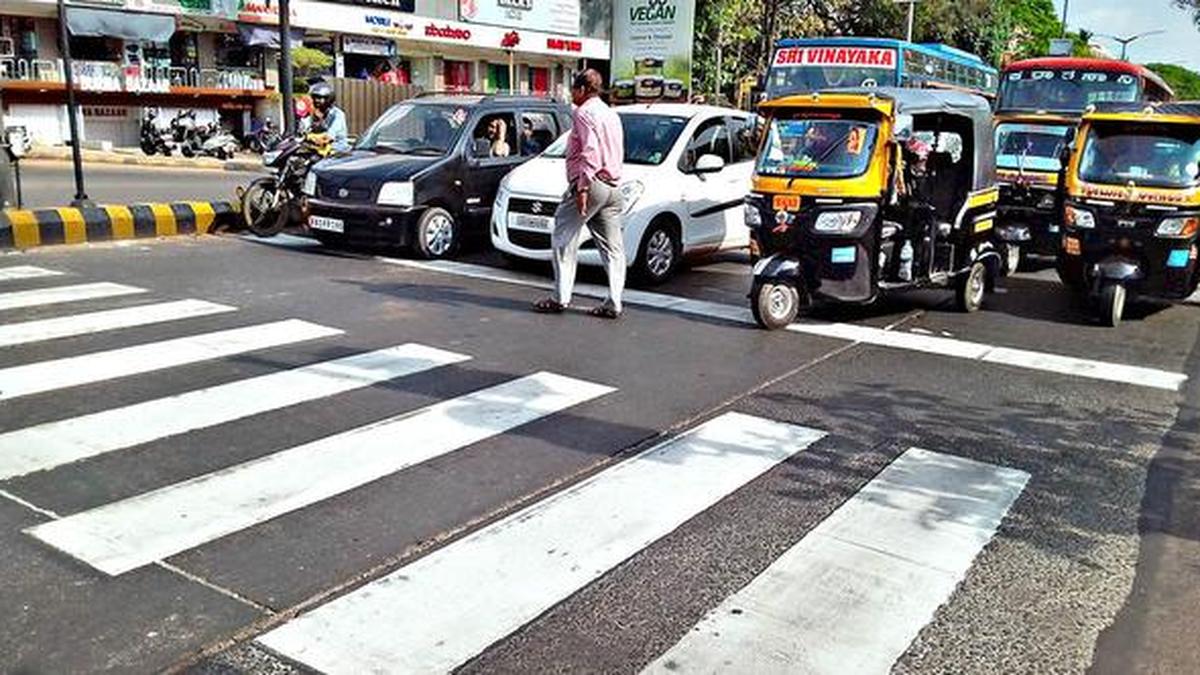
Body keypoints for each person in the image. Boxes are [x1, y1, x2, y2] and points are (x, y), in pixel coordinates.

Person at [532, 69, 626, 319]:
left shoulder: (584, 113)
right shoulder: (610, 113)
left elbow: (591, 152)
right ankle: (614, 302)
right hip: (613, 185)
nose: (571, 94)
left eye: (573, 88)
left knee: (563, 237)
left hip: (591, 182)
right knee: (613, 248)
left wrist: (582, 187)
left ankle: (560, 298)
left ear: (583, 90)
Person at [309, 81, 350, 152]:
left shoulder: (338, 114)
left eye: (319, 98)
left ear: (329, 99)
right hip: (320, 149)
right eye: (314, 98)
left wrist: (315, 139)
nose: (316, 100)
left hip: (337, 150)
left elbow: (329, 136)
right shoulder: (315, 113)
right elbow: (305, 128)